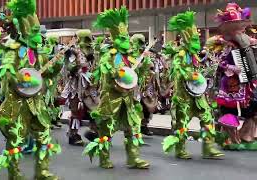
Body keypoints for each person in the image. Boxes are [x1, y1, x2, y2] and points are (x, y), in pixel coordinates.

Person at [0, 0, 61, 179]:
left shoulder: (37, 53)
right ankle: (14, 173)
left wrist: (57, 66)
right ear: (25, 31)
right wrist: (22, 79)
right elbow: (7, 72)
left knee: (44, 137)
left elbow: (47, 73)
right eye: (35, 31)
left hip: (36, 104)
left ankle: (41, 171)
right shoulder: (14, 50)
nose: (38, 36)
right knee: (15, 139)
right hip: (17, 104)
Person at [83, 6, 150, 169]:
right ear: (115, 39)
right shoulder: (109, 57)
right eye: (123, 37)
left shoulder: (130, 58)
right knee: (107, 131)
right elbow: (108, 74)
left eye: (127, 36)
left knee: (133, 128)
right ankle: (104, 158)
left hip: (128, 100)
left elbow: (138, 74)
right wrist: (117, 73)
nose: (127, 40)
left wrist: (145, 62)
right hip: (111, 100)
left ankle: (133, 158)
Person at [162, 11, 224, 160]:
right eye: (195, 38)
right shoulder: (181, 54)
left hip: (197, 95)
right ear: (187, 39)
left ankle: (208, 148)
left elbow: (199, 72)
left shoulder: (194, 55)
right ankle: (180, 149)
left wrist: (209, 71)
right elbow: (178, 70)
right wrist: (191, 75)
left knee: (208, 119)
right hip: (183, 96)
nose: (198, 41)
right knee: (182, 123)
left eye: (198, 38)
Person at [207, 3, 257, 150]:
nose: (242, 28)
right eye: (239, 25)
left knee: (253, 108)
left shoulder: (245, 40)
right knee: (232, 111)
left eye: (243, 25)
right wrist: (232, 68)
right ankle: (229, 139)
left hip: (247, 82)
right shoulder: (227, 44)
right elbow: (220, 63)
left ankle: (246, 136)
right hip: (232, 83)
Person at [61, 29, 95, 146]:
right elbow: (69, 67)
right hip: (76, 88)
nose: (88, 42)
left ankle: (93, 132)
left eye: (89, 39)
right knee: (76, 112)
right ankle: (73, 135)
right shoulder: (72, 52)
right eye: (86, 39)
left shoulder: (92, 52)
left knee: (95, 110)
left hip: (89, 88)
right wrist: (78, 67)